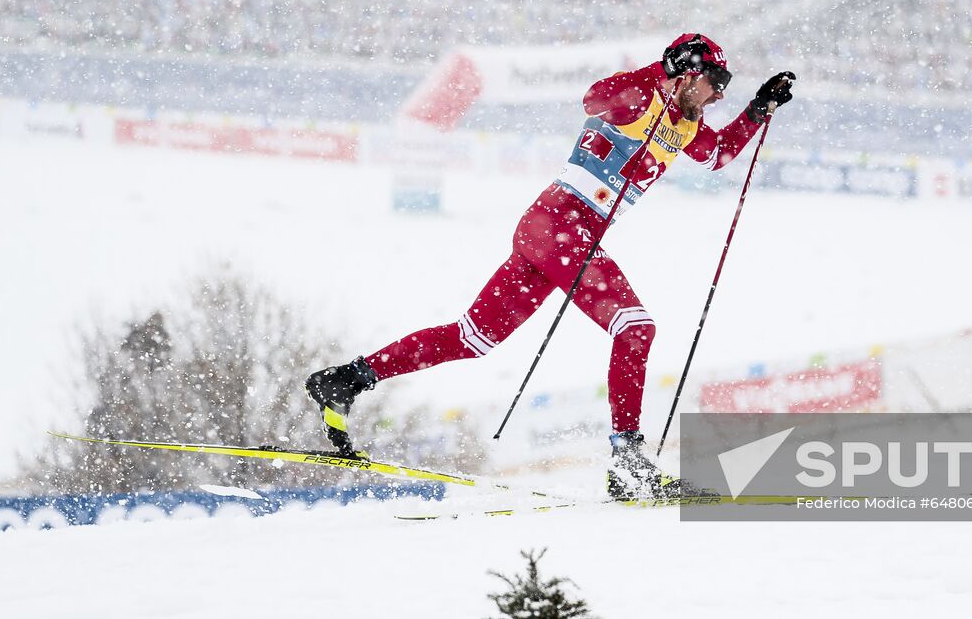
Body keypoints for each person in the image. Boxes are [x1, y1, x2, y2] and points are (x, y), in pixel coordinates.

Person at [306, 34, 795, 499]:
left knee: (473, 338)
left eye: (724, 87)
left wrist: (758, 108)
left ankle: (347, 378)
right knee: (635, 329)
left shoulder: (686, 124)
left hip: (553, 233)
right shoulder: (639, 95)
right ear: (686, 70)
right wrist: (656, 76)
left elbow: (719, 155)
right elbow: (594, 98)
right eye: (714, 82)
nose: (716, 96)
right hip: (559, 224)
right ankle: (627, 463)